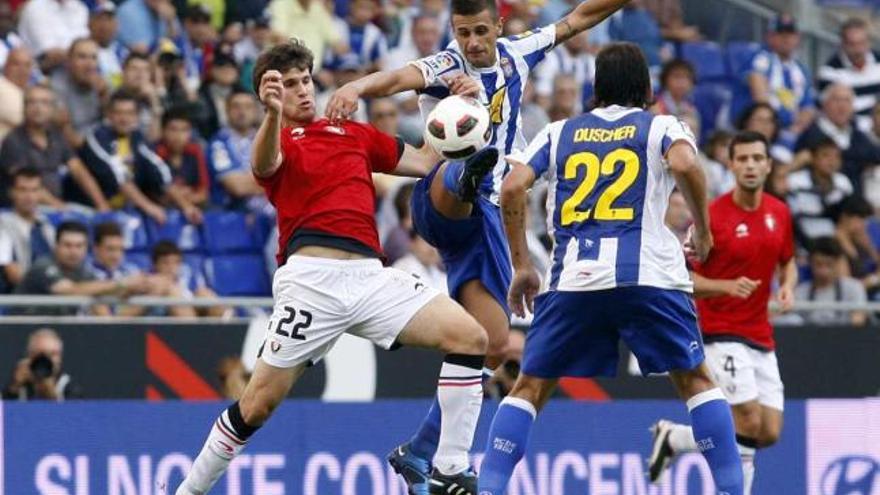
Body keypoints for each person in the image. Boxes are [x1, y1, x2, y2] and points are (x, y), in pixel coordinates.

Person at [324, 0, 630, 489]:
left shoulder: (518, 53)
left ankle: (421, 451)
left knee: (487, 348)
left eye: (479, 32)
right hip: (441, 200)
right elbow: (397, 78)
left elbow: (578, 19)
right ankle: (467, 164)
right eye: (462, 32)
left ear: (498, 27)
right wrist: (354, 86)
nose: (471, 42)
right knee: (455, 157)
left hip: (487, 222)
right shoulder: (446, 65)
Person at [175, 39, 490, 495]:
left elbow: (425, 160)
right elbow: (263, 165)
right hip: (311, 284)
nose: (301, 90)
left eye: (304, 80)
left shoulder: (354, 133)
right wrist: (270, 113)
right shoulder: (278, 138)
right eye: (288, 85)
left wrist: (457, 107)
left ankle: (449, 468)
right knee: (256, 407)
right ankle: (187, 491)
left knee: (471, 338)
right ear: (272, 94)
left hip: (371, 278)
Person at [476, 42, 743, 495]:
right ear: (647, 88)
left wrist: (522, 264)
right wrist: (703, 227)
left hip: (574, 281)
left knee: (528, 390)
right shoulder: (660, 125)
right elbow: (685, 163)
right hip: (650, 279)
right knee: (696, 380)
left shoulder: (559, 132)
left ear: (596, 88)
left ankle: (490, 488)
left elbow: (514, 185)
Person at [648, 131, 797, 495]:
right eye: (742, 159)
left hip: (760, 334)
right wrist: (726, 287)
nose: (750, 166)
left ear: (768, 164)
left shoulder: (779, 213)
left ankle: (676, 438)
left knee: (769, 431)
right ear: (730, 165)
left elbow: (788, 260)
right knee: (746, 421)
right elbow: (681, 277)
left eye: (756, 158)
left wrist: (787, 284)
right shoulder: (711, 216)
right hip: (719, 331)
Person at [72, 89, 201, 224]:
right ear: (109, 115)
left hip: (126, 210)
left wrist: (186, 206)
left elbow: (159, 170)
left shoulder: (138, 139)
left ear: (137, 116)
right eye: (118, 113)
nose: (124, 119)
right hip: (90, 211)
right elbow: (119, 176)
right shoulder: (97, 138)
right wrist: (149, 207)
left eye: (130, 113)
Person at [1, 84, 110, 211]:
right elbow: (26, 184)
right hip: (24, 209)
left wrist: (102, 205)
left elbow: (79, 171)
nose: (38, 108)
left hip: (56, 206)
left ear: (53, 109)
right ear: (24, 108)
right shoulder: (13, 140)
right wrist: (61, 208)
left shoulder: (57, 136)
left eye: (44, 103)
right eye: (32, 102)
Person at [13, 221, 148, 316]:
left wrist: (132, 290)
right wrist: (122, 283)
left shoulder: (84, 272)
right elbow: (69, 290)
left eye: (79, 246)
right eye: (68, 245)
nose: (74, 251)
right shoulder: (43, 266)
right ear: (56, 246)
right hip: (21, 332)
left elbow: (102, 306)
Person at [733, 14, 814, 137]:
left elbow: (808, 108)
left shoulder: (801, 69)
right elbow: (761, 100)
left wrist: (796, 129)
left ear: (798, 38)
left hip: (789, 132)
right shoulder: (760, 58)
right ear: (769, 36)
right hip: (751, 131)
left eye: (791, 34)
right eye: (780, 33)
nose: (786, 38)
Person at [817, 18, 880, 133]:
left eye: (862, 43)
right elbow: (830, 112)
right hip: (851, 132)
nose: (858, 50)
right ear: (843, 44)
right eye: (852, 44)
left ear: (868, 42)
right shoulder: (830, 71)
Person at [787, 137, 854, 245]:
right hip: (802, 239)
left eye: (836, 156)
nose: (832, 161)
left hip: (836, 241)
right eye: (825, 155)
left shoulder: (843, 183)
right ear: (813, 158)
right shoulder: (795, 181)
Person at [207, 88, 264, 211]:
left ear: (255, 111)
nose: (242, 112)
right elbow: (237, 187)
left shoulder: (264, 138)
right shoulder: (219, 142)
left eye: (248, 107)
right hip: (234, 215)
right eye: (236, 107)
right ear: (227, 111)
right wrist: (273, 182)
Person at [0, 168, 56, 293]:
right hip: (17, 299)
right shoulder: (2, 224)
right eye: (22, 190)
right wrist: (53, 290)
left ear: (41, 193)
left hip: (50, 296)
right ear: (12, 192)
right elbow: (12, 273)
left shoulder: (47, 226)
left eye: (34, 190)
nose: (29, 196)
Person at [795, 236, 868, 327]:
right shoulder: (800, 292)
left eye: (829, 265)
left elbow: (858, 319)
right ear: (810, 263)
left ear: (838, 263)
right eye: (818, 264)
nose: (823, 271)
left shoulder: (854, 288)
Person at [2, 328, 82, 400]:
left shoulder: (67, 384)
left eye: (52, 354)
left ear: (60, 357)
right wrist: (14, 386)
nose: (46, 359)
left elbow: (71, 413)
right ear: (29, 355)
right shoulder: (21, 385)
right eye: (40, 354)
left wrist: (51, 392)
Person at [156, 106, 210, 208]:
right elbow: (157, 196)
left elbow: (204, 193)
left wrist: (184, 197)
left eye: (184, 130)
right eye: (173, 129)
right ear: (163, 131)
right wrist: (181, 196)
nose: (179, 136)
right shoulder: (154, 154)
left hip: (192, 206)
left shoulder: (195, 151)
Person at [0, 47, 34, 142]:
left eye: (27, 65)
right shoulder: (2, 86)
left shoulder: (28, 90)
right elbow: (30, 121)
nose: (22, 70)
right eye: (16, 64)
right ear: (6, 66)